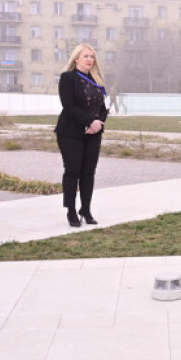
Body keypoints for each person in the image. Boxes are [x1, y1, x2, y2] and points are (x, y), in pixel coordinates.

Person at [55, 44, 109, 227]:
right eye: (85, 56)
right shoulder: (67, 78)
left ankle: (85, 209)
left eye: (92, 57)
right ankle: (71, 211)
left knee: (89, 172)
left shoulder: (97, 80)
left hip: (93, 133)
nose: (89, 60)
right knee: (73, 171)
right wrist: (88, 121)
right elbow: (68, 106)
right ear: (76, 58)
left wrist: (98, 124)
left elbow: (104, 107)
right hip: (70, 132)